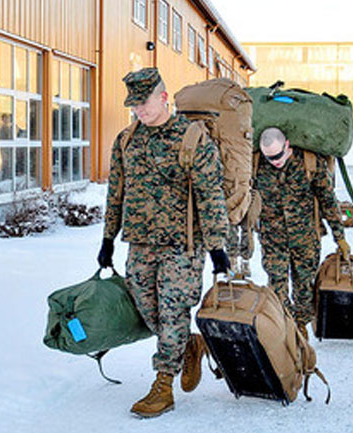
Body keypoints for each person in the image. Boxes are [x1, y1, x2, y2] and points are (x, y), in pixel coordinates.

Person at [97, 68, 230, 417]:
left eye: (144, 102)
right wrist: (108, 239)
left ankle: (163, 385)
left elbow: (210, 194)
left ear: (163, 97)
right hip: (139, 243)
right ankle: (189, 346)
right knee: (148, 308)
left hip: (182, 246)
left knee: (172, 312)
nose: (139, 110)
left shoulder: (192, 138)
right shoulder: (125, 140)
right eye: (134, 105)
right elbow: (116, 194)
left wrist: (217, 247)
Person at [254, 127, 350, 338]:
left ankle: (301, 326)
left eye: (279, 155)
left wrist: (340, 237)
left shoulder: (310, 163)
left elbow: (328, 201)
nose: (275, 161)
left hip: (305, 238)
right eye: (269, 157)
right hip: (273, 239)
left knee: (304, 288)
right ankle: (287, 330)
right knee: (276, 286)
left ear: (287, 145)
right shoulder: (256, 165)